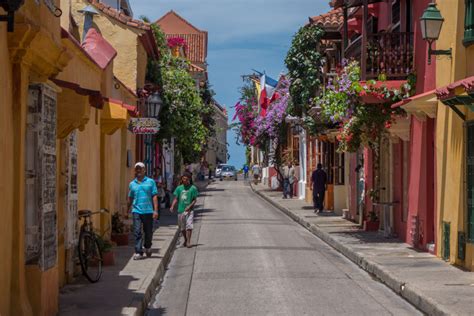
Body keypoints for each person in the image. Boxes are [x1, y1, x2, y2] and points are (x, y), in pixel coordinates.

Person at [128, 162, 159, 260]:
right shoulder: (132, 184)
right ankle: (138, 252)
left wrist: (155, 210)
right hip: (136, 210)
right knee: (137, 231)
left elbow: (154, 196)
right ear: (135, 171)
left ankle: (148, 246)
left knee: (148, 232)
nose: (139, 171)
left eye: (140, 169)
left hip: (148, 211)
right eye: (137, 169)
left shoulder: (151, 182)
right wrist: (127, 210)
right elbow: (130, 197)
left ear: (144, 170)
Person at [171, 173, 199, 248]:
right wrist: (172, 206)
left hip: (190, 211)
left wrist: (189, 206)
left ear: (189, 179)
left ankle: (189, 242)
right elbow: (176, 198)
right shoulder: (179, 188)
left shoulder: (193, 188)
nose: (185, 180)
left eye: (186, 179)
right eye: (183, 179)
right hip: (181, 210)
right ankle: (186, 239)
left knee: (189, 226)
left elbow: (195, 200)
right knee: (182, 227)